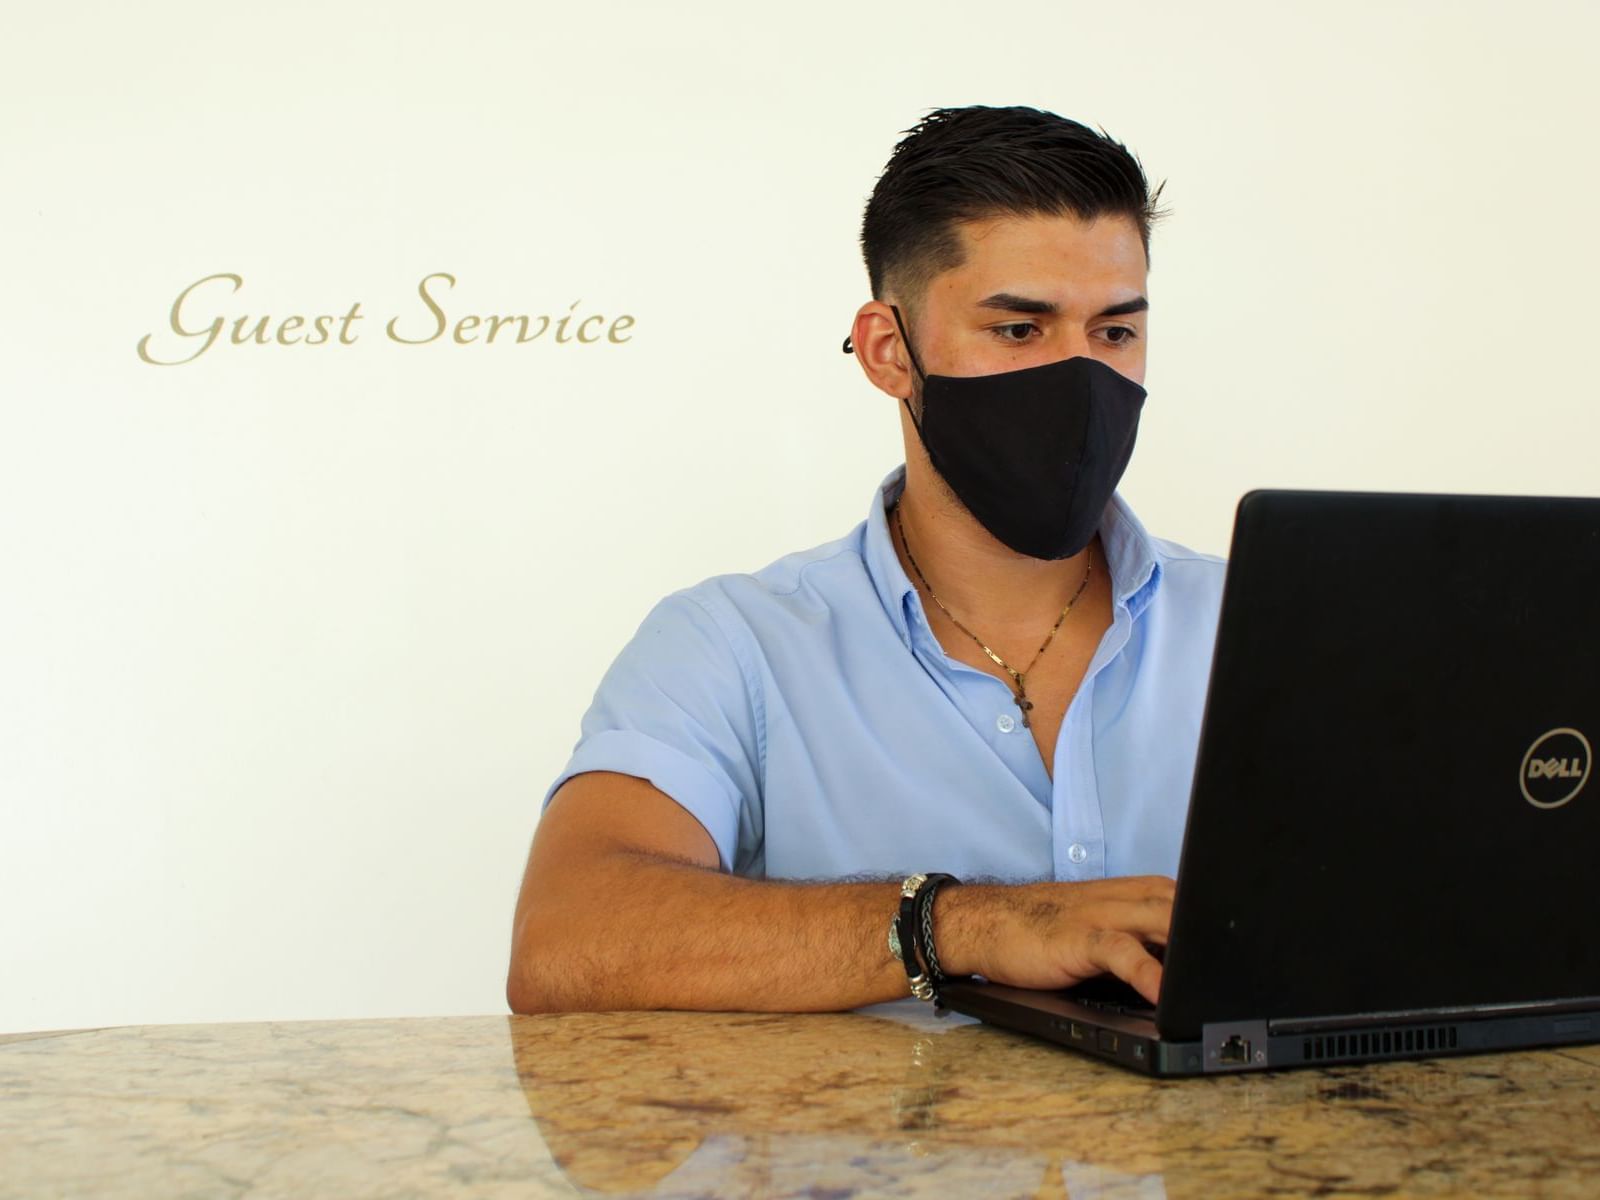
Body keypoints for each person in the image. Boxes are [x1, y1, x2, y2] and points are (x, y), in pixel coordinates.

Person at [507, 105, 1227, 1016]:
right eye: (1019, 330)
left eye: (1115, 332)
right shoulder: (735, 645)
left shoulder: (1268, 627)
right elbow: (566, 943)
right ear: (889, 350)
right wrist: (961, 926)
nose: (1080, 376)